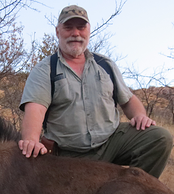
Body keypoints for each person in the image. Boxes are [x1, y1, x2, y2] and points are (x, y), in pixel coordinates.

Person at [18, 5, 173, 178]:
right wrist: (31, 139)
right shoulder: (45, 69)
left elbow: (128, 100)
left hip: (111, 142)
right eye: (68, 28)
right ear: (57, 31)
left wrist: (139, 115)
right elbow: (35, 109)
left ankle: (133, 192)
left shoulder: (105, 65)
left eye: (81, 27)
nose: (75, 33)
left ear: (88, 31)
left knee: (160, 138)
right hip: (69, 154)